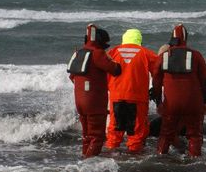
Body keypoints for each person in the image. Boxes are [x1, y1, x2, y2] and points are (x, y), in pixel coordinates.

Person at [151, 24, 206, 156]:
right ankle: (195, 162)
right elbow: (205, 81)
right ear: (186, 38)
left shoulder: (163, 57)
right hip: (193, 103)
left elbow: (155, 82)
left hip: (171, 104)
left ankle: (160, 159)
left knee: (166, 134)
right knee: (194, 135)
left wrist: (158, 103)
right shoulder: (196, 56)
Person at [67, 24, 122, 157]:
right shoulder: (98, 53)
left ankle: (84, 161)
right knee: (97, 137)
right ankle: (90, 167)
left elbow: (72, 76)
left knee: (87, 135)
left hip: (79, 101)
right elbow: (116, 70)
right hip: (93, 102)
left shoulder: (79, 53)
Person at [105, 29, 159, 153]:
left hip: (116, 96)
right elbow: (159, 71)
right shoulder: (146, 53)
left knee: (114, 130)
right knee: (136, 132)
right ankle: (133, 161)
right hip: (137, 98)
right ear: (139, 40)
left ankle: (110, 156)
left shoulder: (112, 52)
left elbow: (103, 73)